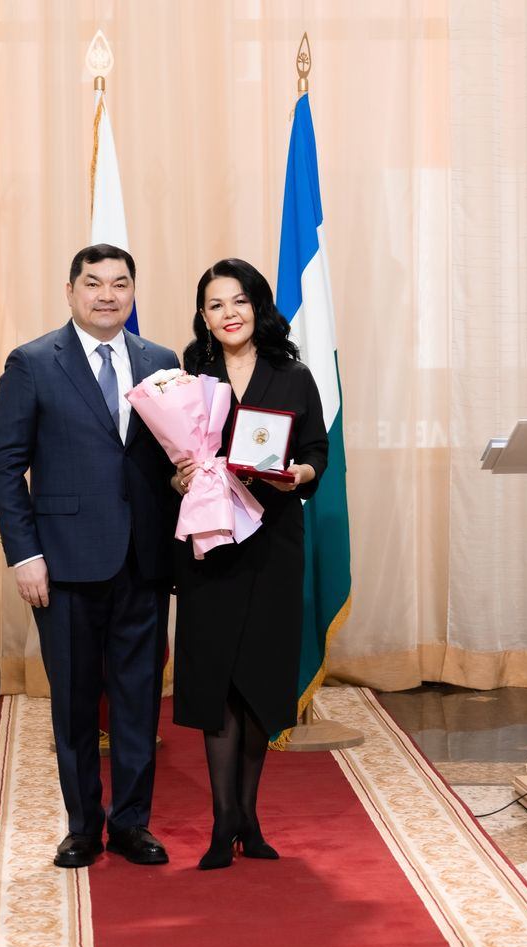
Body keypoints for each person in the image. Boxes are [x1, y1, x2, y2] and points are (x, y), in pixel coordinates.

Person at [0, 244, 178, 868]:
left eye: (120, 284)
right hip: (63, 562)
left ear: (133, 292)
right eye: (93, 283)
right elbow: (4, 467)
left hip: (143, 560)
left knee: (139, 698)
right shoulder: (33, 363)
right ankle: (83, 826)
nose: (107, 295)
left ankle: (132, 824)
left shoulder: (162, 363)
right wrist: (25, 555)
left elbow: (170, 458)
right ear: (70, 291)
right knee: (73, 699)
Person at [172, 258, 328, 870]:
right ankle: (222, 823)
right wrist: (179, 476)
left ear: (257, 305)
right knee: (217, 679)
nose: (228, 313)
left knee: (260, 676)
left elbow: (317, 451)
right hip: (212, 543)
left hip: (272, 540)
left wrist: (299, 474)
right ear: (203, 317)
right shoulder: (188, 377)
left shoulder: (293, 375)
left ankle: (250, 816)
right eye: (215, 304)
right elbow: (164, 461)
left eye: (239, 300)